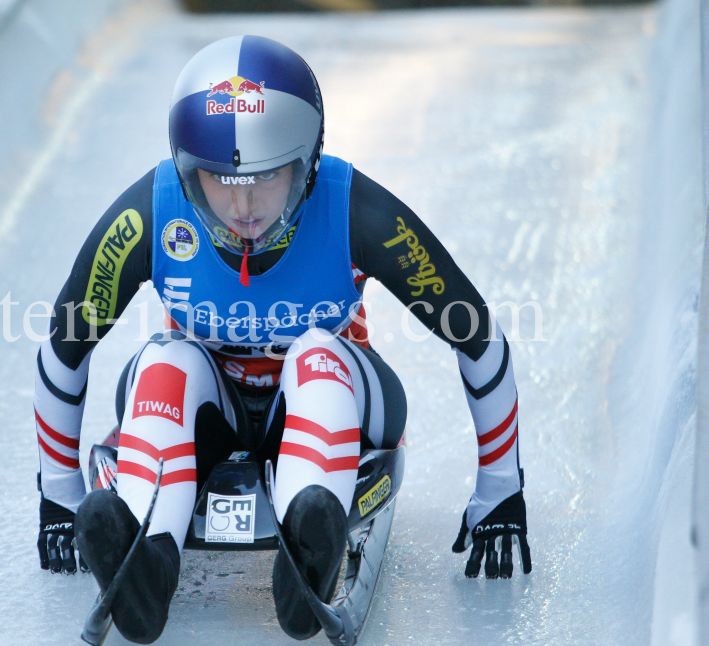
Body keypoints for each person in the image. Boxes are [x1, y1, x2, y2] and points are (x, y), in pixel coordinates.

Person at [34, 35, 531, 644]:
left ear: (307, 164)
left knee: (315, 353)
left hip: (332, 392)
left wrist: (500, 491)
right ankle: (147, 559)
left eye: (267, 177)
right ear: (188, 172)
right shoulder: (151, 214)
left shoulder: (354, 209)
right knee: (166, 360)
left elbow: (474, 331)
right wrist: (58, 497)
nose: (242, 204)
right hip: (208, 409)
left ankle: (306, 545)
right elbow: (66, 342)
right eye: (219, 179)